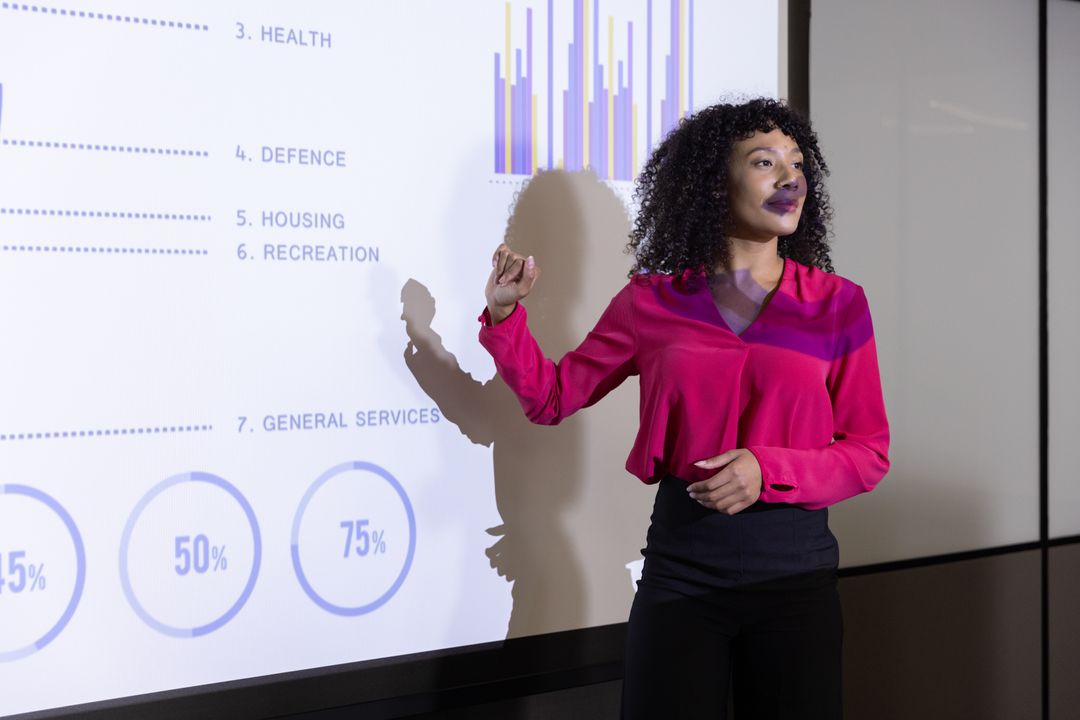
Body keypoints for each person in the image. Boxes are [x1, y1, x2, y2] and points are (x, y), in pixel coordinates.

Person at [477, 97, 890, 719]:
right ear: (711, 182)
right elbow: (552, 398)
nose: (790, 178)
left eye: (797, 163)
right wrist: (506, 317)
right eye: (764, 161)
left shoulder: (839, 304)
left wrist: (767, 470)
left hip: (795, 577)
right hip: (682, 570)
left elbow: (868, 453)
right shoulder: (652, 301)